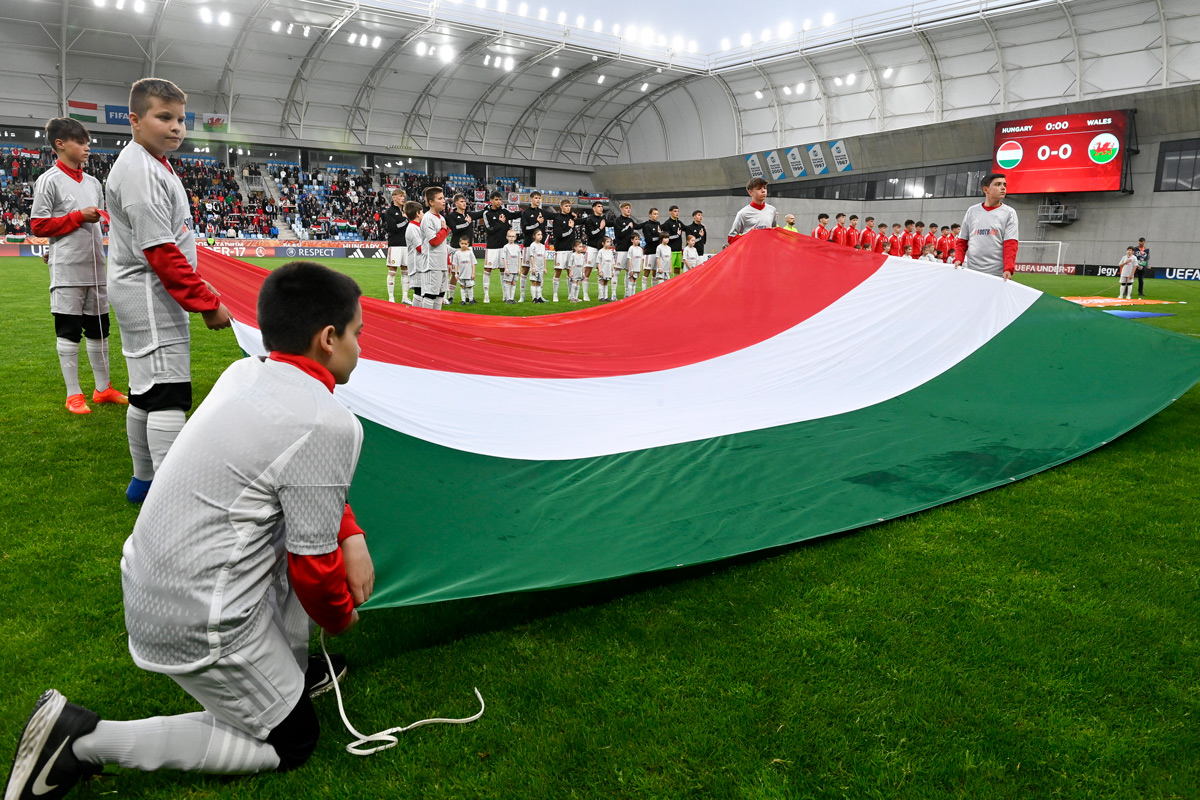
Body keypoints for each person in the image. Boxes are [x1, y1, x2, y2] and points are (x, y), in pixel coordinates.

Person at [3, 261, 373, 798]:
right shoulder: (327, 419)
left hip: (154, 581)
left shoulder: (246, 373)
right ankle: (80, 741)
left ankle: (289, 677)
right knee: (293, 743)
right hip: (200, 619)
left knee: (278, 536)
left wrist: (350, 532)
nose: (361, 347)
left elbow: (297, 479)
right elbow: (313, 568)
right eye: (358, 334)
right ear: (328, 338)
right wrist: (341, 616)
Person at [105, 78, 231, 504]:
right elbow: (159, 251)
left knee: (144, 391)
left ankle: (143, 483)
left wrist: (198, 282)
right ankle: (170, 497)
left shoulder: (151, 161)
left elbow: (169, 243)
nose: (176, 127)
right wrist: (206, 304)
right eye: (165, 117)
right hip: (148, 293)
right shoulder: (140, 170)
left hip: (145, 289)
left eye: (180, 119)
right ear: (135, 120)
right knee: (166, 394)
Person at [30, 117, 128, 415]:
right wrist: (77, 216)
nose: (87, 147)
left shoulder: (94, 183)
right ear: (60, 144)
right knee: (69, 330)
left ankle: (103, 389)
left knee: (100, 329)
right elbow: (38, 224)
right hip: (67, 269)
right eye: (81, 142)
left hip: (97, 268)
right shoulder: (49, 180)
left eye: (88, 142)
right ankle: (74, 394)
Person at [953, 173, 1019, 281]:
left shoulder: (1009, 213)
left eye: (1004, 185)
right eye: (998, 184)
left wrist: (1008, 268)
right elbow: (962, 241)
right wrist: (958, 259)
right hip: (972, 270)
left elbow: (1011, 244)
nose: (1003, 188)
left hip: (997, 274)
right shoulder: (972, 211)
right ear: (985, 189)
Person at [445, 194, 483, 303]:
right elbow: (455, 229)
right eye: (461, 201)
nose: (464, 203)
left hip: (468, 248)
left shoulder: (469, 214)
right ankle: (451, 296)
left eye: (465, 201)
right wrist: (467, 223)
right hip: (456, 248)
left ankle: (468, 297)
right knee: (454, 273)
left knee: (468, 272)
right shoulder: (451, 216)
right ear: (456, 203)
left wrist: (488, 208)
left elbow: (479, 214)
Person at [420, 186, 451, 309]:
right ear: (431, 202)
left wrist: (447, 261)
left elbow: (443, 243)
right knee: (430, 295)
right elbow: (433, 241)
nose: (444, 201)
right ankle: (426, 324)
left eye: (443, 198)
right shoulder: (428, 218)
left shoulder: (441, 217)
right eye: (440, 198)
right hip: (432, 264)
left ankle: (436, 322)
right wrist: (444, 230)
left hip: (441, 263)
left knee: (440, 294)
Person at [728, 177, 778, 245]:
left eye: (765, 188)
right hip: (750, 251)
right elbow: (731, 237)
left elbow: (773, 232)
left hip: (767, 250)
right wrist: (749, 239)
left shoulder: (772, 210)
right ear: (750, 192)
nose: (763, 191)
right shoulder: (743, 213)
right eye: (759, 189)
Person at [481, 192, 510, 304]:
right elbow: (489, 229)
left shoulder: (504, 212)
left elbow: (515, 214)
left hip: (503, 247)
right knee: (488, 270)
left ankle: (506, 296)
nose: (499, 201)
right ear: (491, 200)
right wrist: (500, 222)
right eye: (496, 199)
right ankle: (486, 296)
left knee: (503, 271)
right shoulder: (487, 213)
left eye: (500, 199)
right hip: (492, 247)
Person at [519, 191, 548, 302]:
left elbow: (555, 216)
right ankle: (522, 295)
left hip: (540, 246)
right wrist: (536, 223)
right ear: (531, 198)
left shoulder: (542, 212)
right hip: (528, 245)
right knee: (526, 270)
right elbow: (525, 229)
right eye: (536, 198)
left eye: (539, 198)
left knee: (540, 271)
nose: (538, 200)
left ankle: (539, 296)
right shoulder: (525, 213)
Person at [547, 198, 577, 302]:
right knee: (558, 271)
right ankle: (555, 294)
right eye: (566, 206)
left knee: (570, 272)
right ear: (561, 207)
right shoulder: (558, 219)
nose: (568, 208)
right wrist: (570, 229)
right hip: (561, 249)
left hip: (570, 249)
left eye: (569, 206)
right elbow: (558, 235)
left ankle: (571, 295)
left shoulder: (571, 218)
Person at [382, 188, 408, 303]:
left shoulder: (406, 210)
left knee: (405, 270)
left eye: (403, 196)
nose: (403, 198)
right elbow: (394, 227)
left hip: (406, 244)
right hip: (395, 245)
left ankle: (405, 297)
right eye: (400, 196)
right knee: (393, 269)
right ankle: (391, 298)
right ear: (394, 197)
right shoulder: (390, 211)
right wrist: (406, 220)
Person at [581, 200, 608, 300]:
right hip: (592, 248)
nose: (601, 208)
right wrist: (600, 228)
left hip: (601, 249)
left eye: (602, 206)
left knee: (601, 271)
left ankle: (601, 295)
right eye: (599, 206)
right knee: (588, 269)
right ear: (594, 208)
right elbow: (591, 234)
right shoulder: (589, 220)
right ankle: (585, 294)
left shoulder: (603, 219)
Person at [612, 202, 638, 301]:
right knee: (617, 272)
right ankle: (613, 294)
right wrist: (628, 227)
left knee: (628, 272)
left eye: (629, 208)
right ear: (622, 209)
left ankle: (627, 293)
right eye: (626, 208)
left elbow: (638, 226)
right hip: (621, 250)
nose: (628, 210)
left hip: (630, 250)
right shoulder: (617, 220)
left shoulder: (631, 220)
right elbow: (619, 234)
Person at [639, 207, 662, 292]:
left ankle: (654, 291)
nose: (657, 216)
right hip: (650, 252)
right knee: (647, 271)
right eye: (655, 214)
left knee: (655, 272)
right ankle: (644, 291)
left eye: (657, 214)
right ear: (650, 215)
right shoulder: (647, 226)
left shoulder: (658, 224)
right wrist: (659, 236)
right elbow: (648, 239)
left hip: (657, 252)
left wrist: (659, 236)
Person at [453, 236, 477, 304]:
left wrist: (473, 273)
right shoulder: (457, 253)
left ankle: (471, 299)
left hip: (469, 274)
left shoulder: (470, 253)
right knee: (462, 287)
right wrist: (456, 274)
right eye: (462, 243)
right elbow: (456, 264)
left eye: (465, 244)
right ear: (459, 244)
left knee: (469, 287)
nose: (463, 245)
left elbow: (473, 263)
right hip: (461, 274)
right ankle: (463, 300)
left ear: (468, 244)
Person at [500, 228, 522, 303]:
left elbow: (519, 258)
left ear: (515, 237)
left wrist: (519, 268)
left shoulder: (517, 247)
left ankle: (512, 298)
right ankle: (508, 298)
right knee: (508, 282)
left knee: (514, 282)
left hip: (515, 268)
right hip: (509, 268)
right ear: (507, 237)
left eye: (513, 236)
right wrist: (506, 268)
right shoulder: (506, 247)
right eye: (510, 236)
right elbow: (504, 258)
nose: (511, 238)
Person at [662, 205, 684, 275]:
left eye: (678, 211)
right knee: (669, 268)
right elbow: (667, 237)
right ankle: (667, 283)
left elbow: (687, 228)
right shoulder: (667, 223)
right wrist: (677, 235)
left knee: (677, 268)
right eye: (675, 211)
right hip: (671, 250)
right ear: (670, 212)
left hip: (679, 250)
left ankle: (676, 284)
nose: (677, 213)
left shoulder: (679, 222)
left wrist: (700, 225)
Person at [527, 228, 548, 303]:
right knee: (534, 281)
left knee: (539, 282)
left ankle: (539, 297)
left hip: (541, 267)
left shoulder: (542, 246)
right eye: (538, 234)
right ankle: (534, 298)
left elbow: (544, 257)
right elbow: (531, 256)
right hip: (535, 266)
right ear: (534, 236)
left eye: (541, 234)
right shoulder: (532, 245)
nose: (540, 236)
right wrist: (533, 267)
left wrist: (545, 268)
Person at [595, 237, 617, 301]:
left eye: (610, 242)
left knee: (606, 282)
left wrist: (612, 271)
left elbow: (612, 262)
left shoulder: (610, 252)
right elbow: (598, 262)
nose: (609, 243)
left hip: (608, 270)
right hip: (603, 269)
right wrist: (600, 271)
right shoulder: (601, 251)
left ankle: (606, 296)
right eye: (607, 242)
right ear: (603, 243)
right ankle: (601, 297)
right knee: (601, 281)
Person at [625, 234, 644, 298]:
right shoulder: (631, 248)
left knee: (635, 281)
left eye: (638, 239)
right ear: (632, 240)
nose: (637, 241)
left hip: (638, 268)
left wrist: (640, 268)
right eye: (636, 239)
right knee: (631, 280)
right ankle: (629, 295)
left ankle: (633, 295)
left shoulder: (640, 249)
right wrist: (631, 269)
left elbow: (642, 259)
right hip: (632, 268)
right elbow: (629, 259)